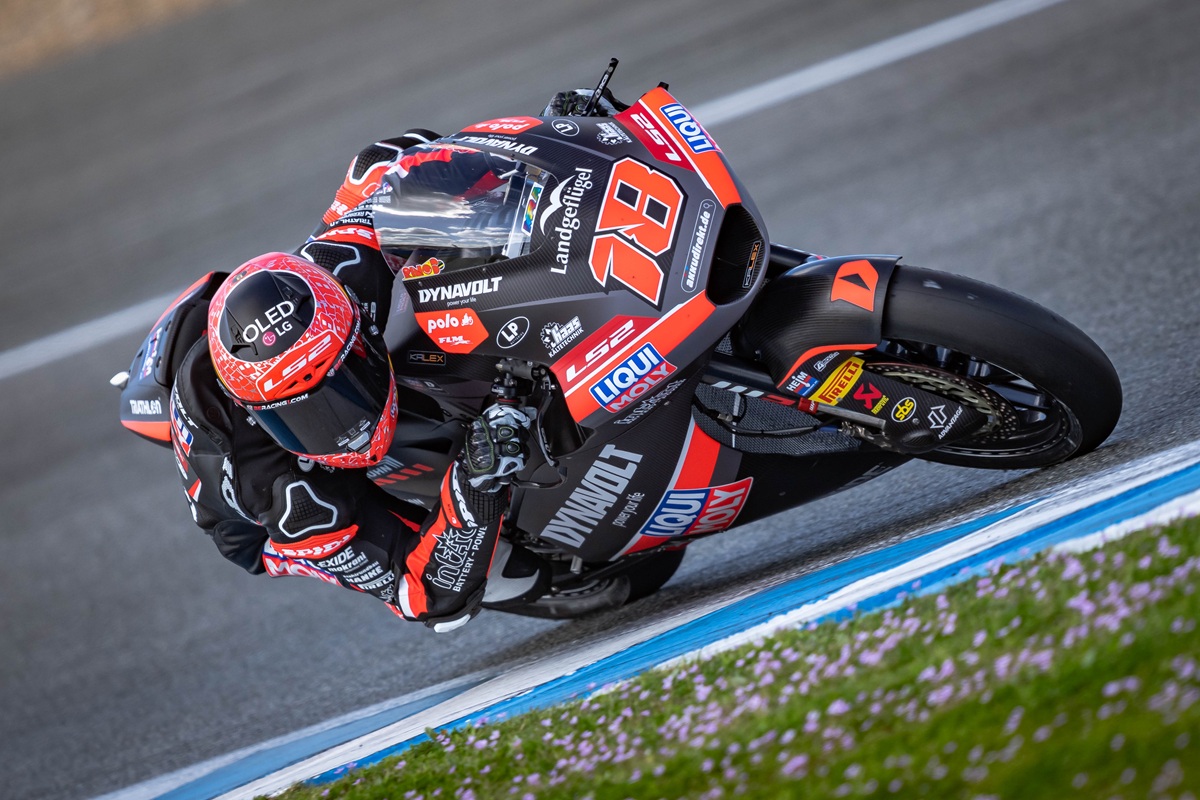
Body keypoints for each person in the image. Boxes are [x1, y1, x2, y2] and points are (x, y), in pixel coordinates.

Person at [159, 88, 626, 631]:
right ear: (257, 411)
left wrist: (556, 137)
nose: (342, 428)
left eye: (340, 388)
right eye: (301, 415)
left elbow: (403, 160)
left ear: (353, 327)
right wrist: (475, 483)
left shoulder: (347, 260)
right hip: (264, 517)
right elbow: (421, 596)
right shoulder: (288, 496)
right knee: (492, 572)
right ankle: (552, 572)